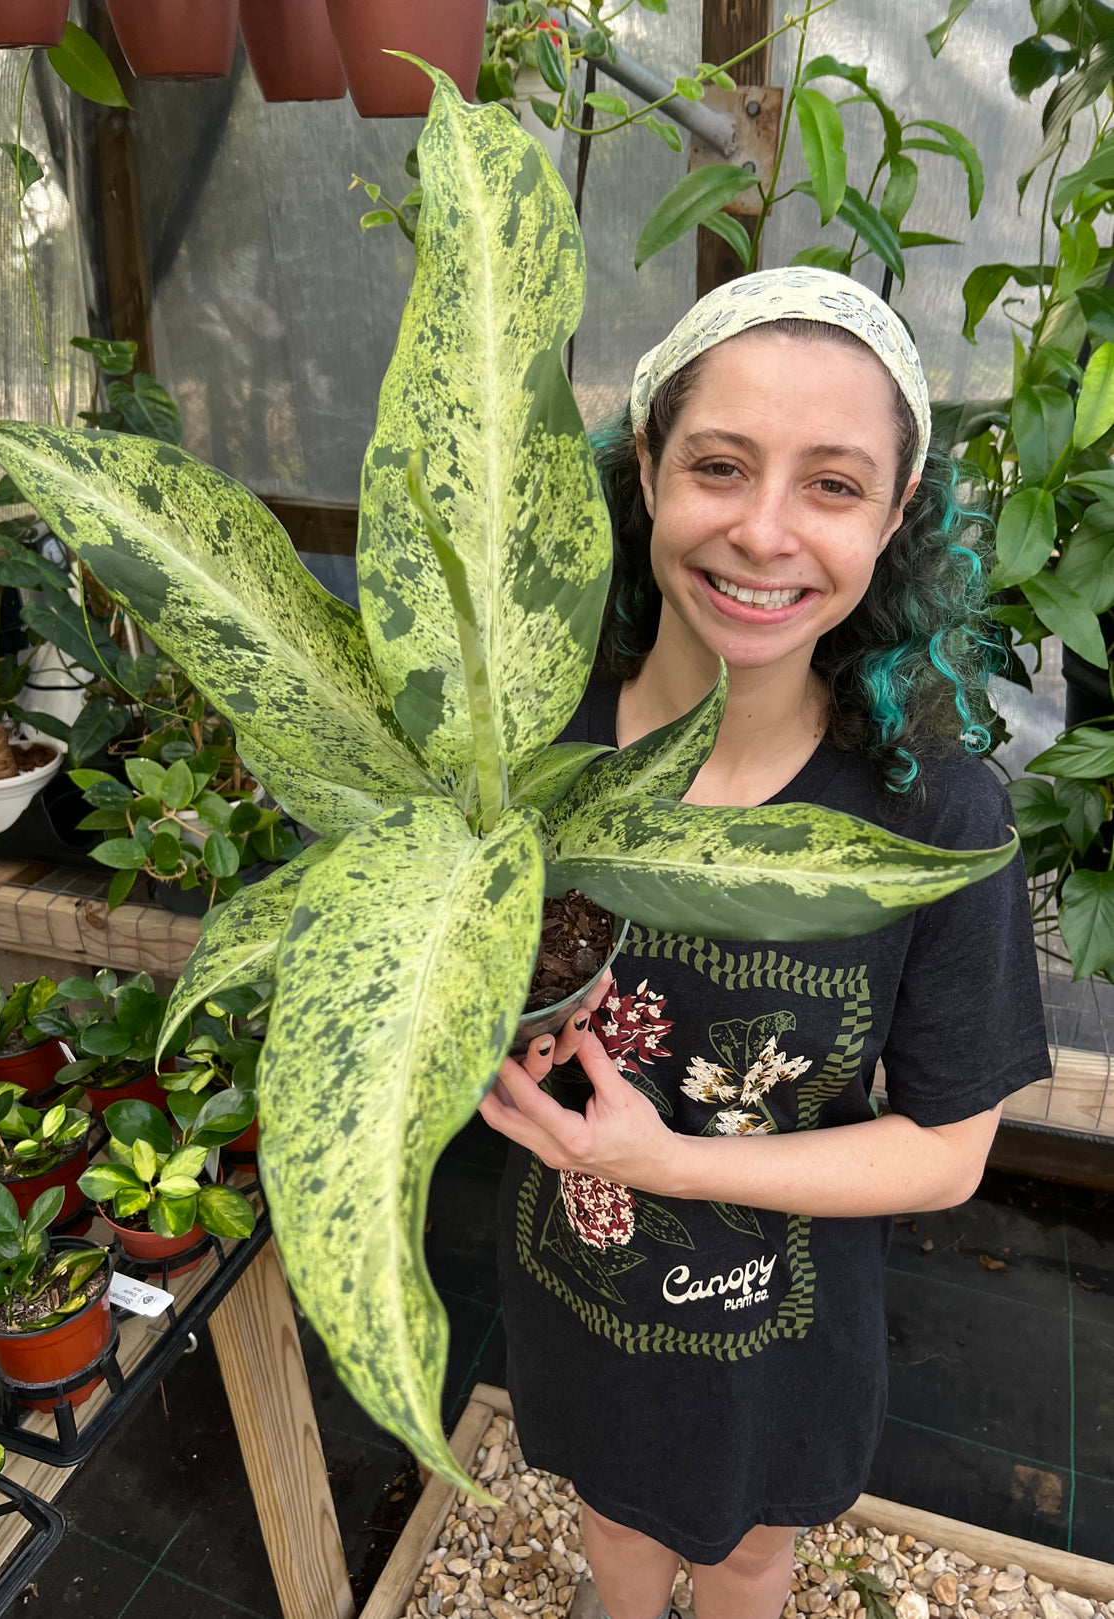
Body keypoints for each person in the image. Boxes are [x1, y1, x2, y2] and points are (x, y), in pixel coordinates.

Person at [477, 268, 1052, 1619]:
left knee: (746, 1553)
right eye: (720, 467)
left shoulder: (928, 811)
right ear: (646, 466)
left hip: (776, 1338)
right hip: (580, 1299)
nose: (762, 533)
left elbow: (946, 1151)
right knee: (612, 1527)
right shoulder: (531, 748)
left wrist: (661, 1156)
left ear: (898, 514)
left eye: (833, 486)